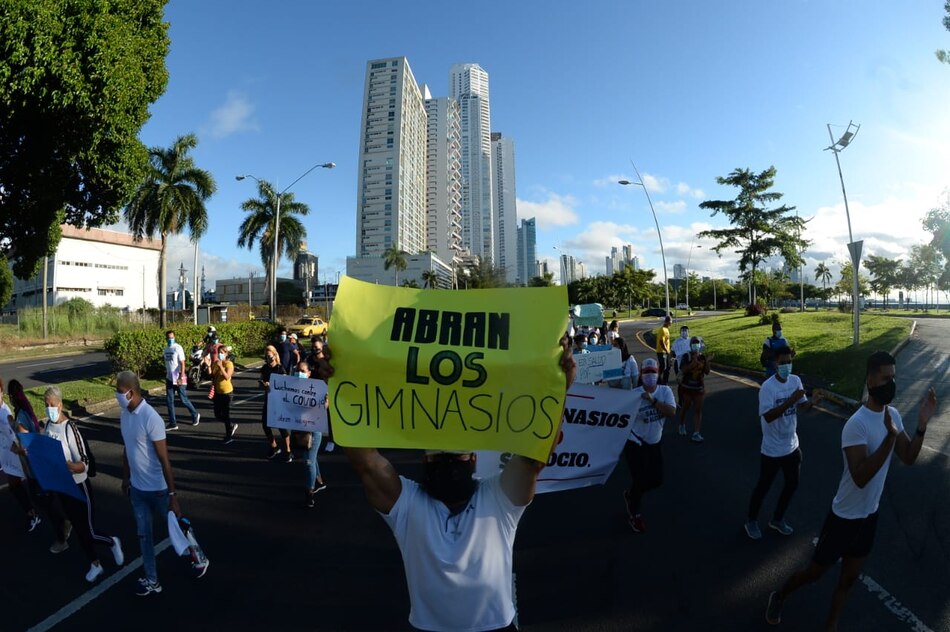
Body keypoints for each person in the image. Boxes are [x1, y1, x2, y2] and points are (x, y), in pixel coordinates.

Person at [343, 338, 576, 631]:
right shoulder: (408, 504)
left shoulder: (498, 497)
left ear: (474, 459)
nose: (449, 463)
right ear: (425, 462)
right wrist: (339, 383)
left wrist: (560, 387)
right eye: (440, 457)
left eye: (455, 456)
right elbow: (365, 462)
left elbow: (534, 459)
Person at [765, 351, 938, 630]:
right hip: (844, 517)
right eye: (886, 378)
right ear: (870, 381)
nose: (891, 384)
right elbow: (860, 477)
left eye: (893, 378)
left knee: (848, 580)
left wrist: (921, 425)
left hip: (869, 517)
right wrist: (890, 438)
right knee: (814, 573)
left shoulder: (892, 415)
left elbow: (908, 456)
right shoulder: (856, 425)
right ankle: (780, 594)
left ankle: (831, 625)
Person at [42, 387, 124, 582]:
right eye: (46, 405)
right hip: (63, 487)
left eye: (51, 404)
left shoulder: (70, 429)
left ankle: (112, 542)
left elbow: (84, 463)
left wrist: (70, 466)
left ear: (60, 405)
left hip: (79, 486)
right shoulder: (48, 427)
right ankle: (95, 563)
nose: (48, 408)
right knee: (78, 529)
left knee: (89, 530)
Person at [745, 346, 823, 540]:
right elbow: (768, 416)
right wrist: (790, 400)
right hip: (772, 450)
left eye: (789, 362)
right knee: (764, 486)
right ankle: (751, 520)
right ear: (775, 363)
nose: (787, 365)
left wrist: (812, 402)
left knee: (792, 485)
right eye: (783, 362)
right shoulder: (768, 387)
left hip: (792, 446)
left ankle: (777, 519)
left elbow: (801, 406)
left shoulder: (795, 381)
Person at [117, 370, 182, 597]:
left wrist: (173, 496)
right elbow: (127, 448)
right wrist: (126, 478)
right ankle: (152, 579)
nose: (117, 395)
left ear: (131, 392)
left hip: (159, 491)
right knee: (144, 537)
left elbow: (165, 460)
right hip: (137, 491)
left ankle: (196, 554)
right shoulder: (124, 415)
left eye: (119, 391)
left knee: (177, 528)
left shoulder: (151, 418)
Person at [622, 358, 676, 533]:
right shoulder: (633, 395)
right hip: (635, 443)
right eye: (646, 372)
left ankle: (631, 495)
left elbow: (671, 412)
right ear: (641, 374)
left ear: (658, 373)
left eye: (653, 372)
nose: (650, 376)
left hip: (654, 444)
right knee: (639, 480)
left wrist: (652, 401)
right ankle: (634, 515)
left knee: (657, 480)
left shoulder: (665, 391)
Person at [0, 378, 41, 532]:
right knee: (17, 484)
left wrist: (17, 448)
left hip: (14, 453)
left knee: (17, 484)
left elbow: (15, 434)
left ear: (1, 392)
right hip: (6, 452)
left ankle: (33, 513)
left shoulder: (4, 412)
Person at [294, 360, 327, 509]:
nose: (299, 373)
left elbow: (326, 405)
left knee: (308, 461)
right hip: (300, 429)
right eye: (297, 370)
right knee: (311, 458)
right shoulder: (291, 387)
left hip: (313, 430)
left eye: (302, 371)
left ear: (309, 373)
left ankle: (309, 492)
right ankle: (319, 481)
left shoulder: (317, 388)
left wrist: (324, 403)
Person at [677, 336, 713, 442]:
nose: (695, 345)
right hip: (687, 388)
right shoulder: (686, 356)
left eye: (697, 343)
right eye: (694, 343)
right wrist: (692, 363)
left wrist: (707, 362)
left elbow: (707, 372)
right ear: (690, 345)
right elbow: (683, 369)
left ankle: (696, 433)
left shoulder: (702, 357)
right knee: (686, 407)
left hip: (699, 388)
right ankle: (681, 424)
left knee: (698, 410)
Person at [163, 330, 200, 431]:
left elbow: (183, 363)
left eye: (172, 338)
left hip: (178, 375)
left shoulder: (178, 348)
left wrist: (181, 376)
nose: (170, 339)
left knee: (183, 399)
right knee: (169, 401)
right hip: (169, 377)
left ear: (174, 338)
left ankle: (195, 414)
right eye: (168, 338)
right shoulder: (166, 349)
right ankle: (173, 423)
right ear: (166, 338)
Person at [260, 345, 292, 461]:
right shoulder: (264, 368)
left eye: (269, 356)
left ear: (274, 355)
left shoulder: (280, 369)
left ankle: (288, 450)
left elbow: (285, 385)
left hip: (279, 401)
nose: (268, 358)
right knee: (265, 424)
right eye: (266, 356)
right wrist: (264, 385)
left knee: (281, 425)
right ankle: (274, 446)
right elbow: (261, 383)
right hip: (268, 399)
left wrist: (273, 386)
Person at [212, 345, 237, 443]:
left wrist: (221, 367)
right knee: (217, 414)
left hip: (227, 393)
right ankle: (231, 425)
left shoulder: (229, 364)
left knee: (226, 414)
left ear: (226, 354)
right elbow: (213, 375)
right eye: (219, 352)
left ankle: (229, 436)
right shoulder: (216, 363)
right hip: (218, 392)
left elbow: (227, 376)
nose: (220, 354)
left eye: (222, 353)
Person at [654, 315, 672, 385]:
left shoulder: (667, 329)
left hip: (666, 351)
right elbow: (661, 342)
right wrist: (666, 350)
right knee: (663, 366)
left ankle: (665, 382)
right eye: (670, 322)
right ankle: (657, 378)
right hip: (661, 352)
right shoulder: (662, 330)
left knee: (668, 367)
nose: (671, 323)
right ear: (667, 322)